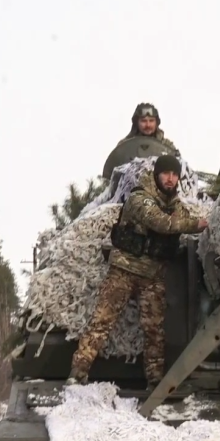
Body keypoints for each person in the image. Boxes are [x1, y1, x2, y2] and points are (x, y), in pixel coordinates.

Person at [68, 155, 207, 388]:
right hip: (124, 269)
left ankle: (155, 379)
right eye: (166, 174)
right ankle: (77, 373)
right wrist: (194, 224)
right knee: (101, 322)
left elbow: (181, 219)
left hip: (152, 275)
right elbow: (162, 223)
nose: (171, 179)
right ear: (156, 175)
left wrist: (192, 221)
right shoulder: (139, 197)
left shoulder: (176, 205)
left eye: (175, 175)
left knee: (154, 331)